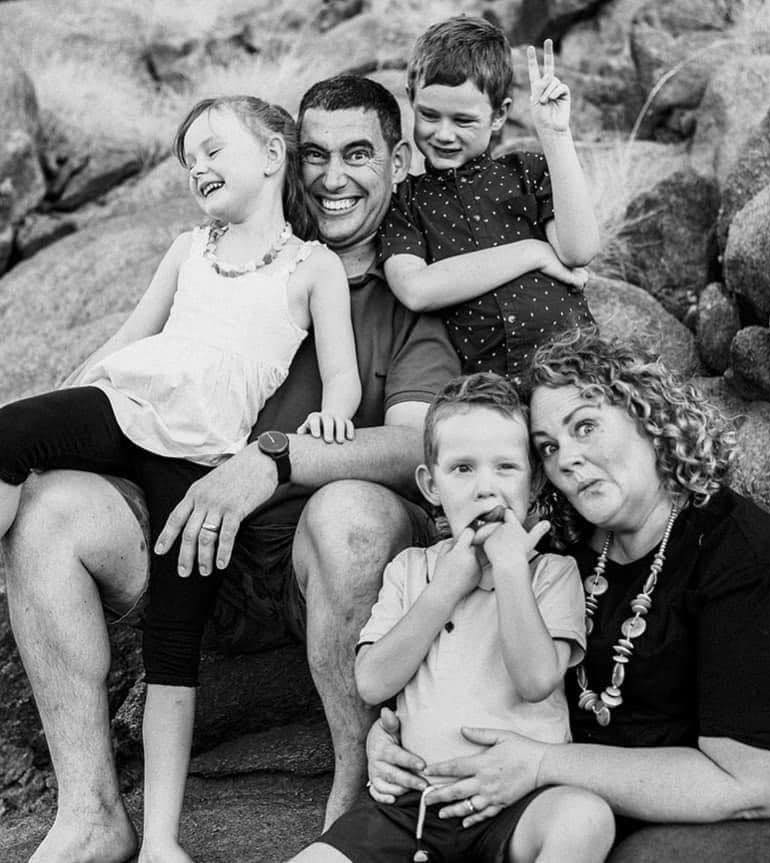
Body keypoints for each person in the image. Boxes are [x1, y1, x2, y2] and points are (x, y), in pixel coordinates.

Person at [3, 75, 460, 863]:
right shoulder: (210, 257)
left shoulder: (403, 298)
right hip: (186, 525)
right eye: (316, 154)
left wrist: (275, 459)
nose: (330, 175)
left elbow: (418, 443)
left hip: (311, 566)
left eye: (358, 154)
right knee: (52, 510)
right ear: (289, 158)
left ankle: (352, 806)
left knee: (350, 510)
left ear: (398, 160)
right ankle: (89, 812)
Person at [366, 329, 770, 863]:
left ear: (649, 418)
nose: (567, 460)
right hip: (599, 810)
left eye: (585, 426)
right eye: (548, 448)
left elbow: (759, 785)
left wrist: (540, 765)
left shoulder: (748, 561)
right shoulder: (563, 555)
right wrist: (400, 742)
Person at [293, 372, 612, 863]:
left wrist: (509, 569)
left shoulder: (552, 573)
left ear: (534, 481)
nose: (487, 488)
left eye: (506, 467)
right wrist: (447, 586)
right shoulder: (412, 569)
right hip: (414, 806)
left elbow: (535, 680)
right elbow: (372, 684)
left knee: (586, 818)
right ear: (431, 485)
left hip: (518, 802)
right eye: (463, 469)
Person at [379, 16, 600, 378]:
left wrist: (555, 133)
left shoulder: (528, 171)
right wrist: (534, 252)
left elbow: (579, 251)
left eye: (463, 121)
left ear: (499, 115)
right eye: (429, 116)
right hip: (486, 389)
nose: (444, 134)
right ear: (411, 100)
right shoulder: (405, 199)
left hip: (572, 365)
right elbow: (416, 289)